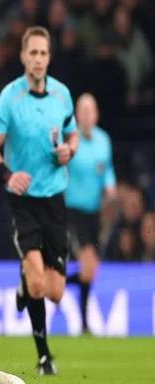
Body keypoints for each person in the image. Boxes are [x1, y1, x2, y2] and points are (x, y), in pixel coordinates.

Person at [0, 26, 79, 375]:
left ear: (49, 58)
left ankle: (24, 286)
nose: (38, 59)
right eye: (33, 53)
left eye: (43, 53)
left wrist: (70, 151)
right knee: (39, 280)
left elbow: (72, 135)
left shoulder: (62, 95)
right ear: (23, 57)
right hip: (22, 199)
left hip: (54, 197)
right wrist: (9, 175)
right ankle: (43, 357)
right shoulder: (10, 98)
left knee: (55, 291)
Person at [65, 93, 117, 333]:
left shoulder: (104, 140)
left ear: (96, 115)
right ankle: (84, 322)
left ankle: (53, 287)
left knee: (90, 272)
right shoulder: (71, 141)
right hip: (73, 210)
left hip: (94, 212)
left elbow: (107, 170)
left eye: (90, 111)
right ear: (77, 115)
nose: (86, 115)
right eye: (82, 111)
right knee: (87, 264)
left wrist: (110, 186)